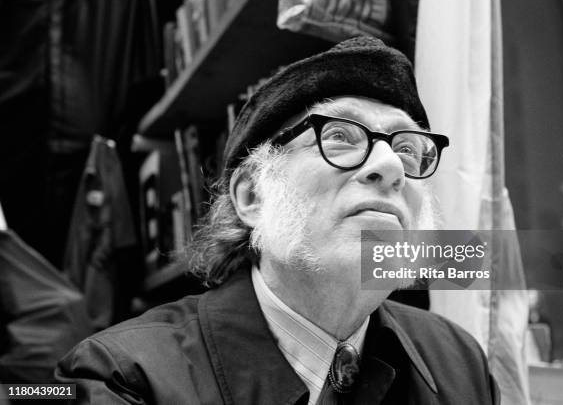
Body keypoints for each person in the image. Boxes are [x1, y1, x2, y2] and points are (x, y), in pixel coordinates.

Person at [56, 36, 500, 404]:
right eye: (340, 136)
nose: (392, 165)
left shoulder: (460, 363)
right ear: (252, 196)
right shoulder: (120, 375)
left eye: (408, 148)